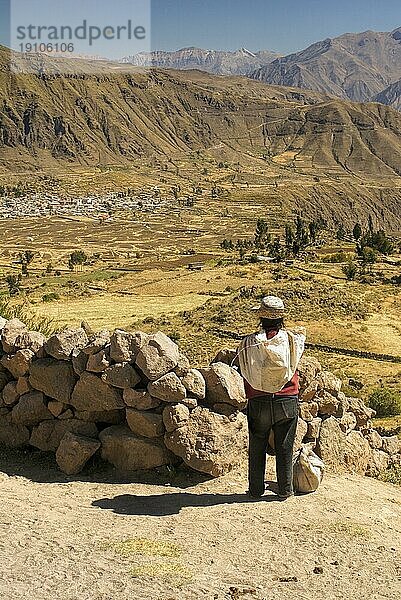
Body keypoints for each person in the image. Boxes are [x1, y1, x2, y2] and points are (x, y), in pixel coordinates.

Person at [234, 296, 306, 500]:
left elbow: (245, 368)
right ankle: (284, 490)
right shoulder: (292, 340)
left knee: (257, 444)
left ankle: (256, 490)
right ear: (281, 318)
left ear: (260, 318)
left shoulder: (249, 342)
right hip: (287, 399)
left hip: (258, 400)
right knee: (285, 445)